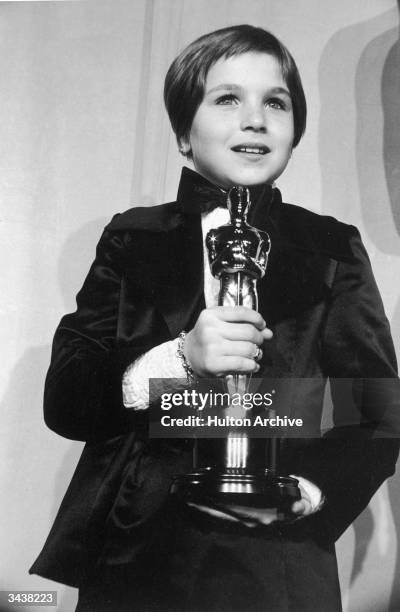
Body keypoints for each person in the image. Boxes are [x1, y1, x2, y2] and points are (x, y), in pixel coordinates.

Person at [30, 25, 399, 611]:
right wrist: (178, 359)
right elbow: (67, 401)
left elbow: (378, 411)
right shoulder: (132, 238)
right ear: (183, 132)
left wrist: (307, 492)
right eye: (227, 98)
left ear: (294, 129)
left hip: (276, 561)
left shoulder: (331, 249)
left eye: (274, 103)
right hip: (140, 551)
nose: (255, 119)